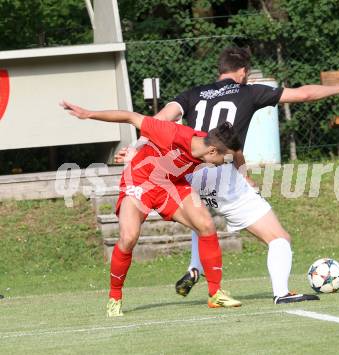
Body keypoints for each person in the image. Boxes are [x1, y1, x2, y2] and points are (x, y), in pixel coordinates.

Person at [116, 47, 339, 304]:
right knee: (279, 238)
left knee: (202, 222)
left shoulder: (194, 93)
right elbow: (305, 94)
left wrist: (136, 145)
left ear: (219, 70)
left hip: (189, 173)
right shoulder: (250, 91)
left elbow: (162, 118)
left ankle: (195, 267)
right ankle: (281, 292)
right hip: (222, 170)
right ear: (243, 72)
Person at [60, 101, 243, 317]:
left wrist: (244, 174)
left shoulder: (207, 143)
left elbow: (236, 152)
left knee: (206, 224)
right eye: (224, 159)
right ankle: (115, 298)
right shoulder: (171, 133)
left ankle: (216, 294)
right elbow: (130, 116)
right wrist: (89, 113)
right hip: (140, 182)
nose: (224, 163)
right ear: (212, 151)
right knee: (129, 238)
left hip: (171, 185)